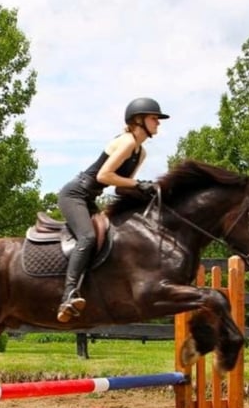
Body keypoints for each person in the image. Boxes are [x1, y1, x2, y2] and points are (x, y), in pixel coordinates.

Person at [56, 97, 169, 323]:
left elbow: (119, 188)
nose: (158, 123)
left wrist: (149, 191)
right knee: (87, 237)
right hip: (74, 195)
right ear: (139, 120)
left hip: (88, 199)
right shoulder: (127, 142)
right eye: (154, 118)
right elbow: (103, 176)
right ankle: (68, 294)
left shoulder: (140, 152)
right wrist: (138, 184)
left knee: (110, 237)